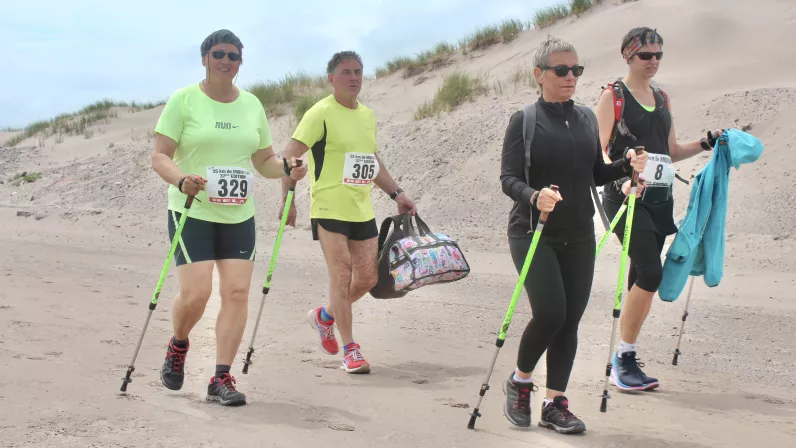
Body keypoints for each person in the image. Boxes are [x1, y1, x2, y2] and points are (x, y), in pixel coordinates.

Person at [150, 29, 306, 406]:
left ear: (240, 62)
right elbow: (160, 156)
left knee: (236, 293)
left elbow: (264, 162)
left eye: (233, 56)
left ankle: (221, 377)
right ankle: (179, 343)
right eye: (218, 53)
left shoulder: (251, 105)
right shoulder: (184, 100)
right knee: (197, 294)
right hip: (192, 210)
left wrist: (287, 167)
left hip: (238, 215)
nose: (226, 60)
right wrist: (182, 179)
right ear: (205, 58)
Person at [499, 36, 647, 434]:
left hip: (580, 234)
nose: (570, 77)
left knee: (570, 322)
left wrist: (626, 165)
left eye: (576, 70)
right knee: (550, 313)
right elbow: (508, 179)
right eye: (561, 70)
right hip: (533, 232)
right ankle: (520, 381)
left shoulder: (584, 118)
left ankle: (555, 404)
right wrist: (535, 196)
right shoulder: (525, 120)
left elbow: (594, 174)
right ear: (539, 74)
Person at [595, 27, 723, 392]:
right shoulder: (614, 97)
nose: (653, 62)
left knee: (643, 275)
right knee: (651, 274)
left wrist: (705, 142)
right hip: (625, 199)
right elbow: (599, 151)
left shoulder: (662, 97)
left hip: (659, 200)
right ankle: (624, 358)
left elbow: (671, 150)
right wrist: (622, 178)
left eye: (658, 56)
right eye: (645, 56)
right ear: (627, 56)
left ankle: (627, 354)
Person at [279, 51, 417, 374]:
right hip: (327, 206)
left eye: (358, 72)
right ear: (331, 78)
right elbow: (291, 153)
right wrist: (288, 198)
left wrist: (397, 193)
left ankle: (324, 317)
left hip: (360, 207)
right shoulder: (320, 113)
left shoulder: (367, 116)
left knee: (368, 278)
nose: (353, 77)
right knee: (341, 276)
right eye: (346, 72)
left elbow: (372, 161)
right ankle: (350, 349)